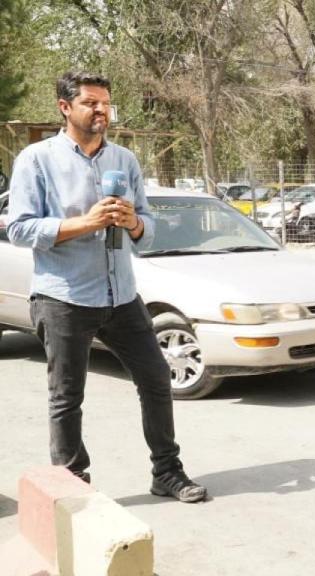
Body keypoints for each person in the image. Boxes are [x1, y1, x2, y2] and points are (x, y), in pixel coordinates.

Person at [6, 71, 207, 503]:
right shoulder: (36, 160)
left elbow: (149, 230)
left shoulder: (125, 161)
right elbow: (19, 228)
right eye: (91, 103)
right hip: (64, 296)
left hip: (121, 295)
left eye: (105, 103)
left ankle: (167, 473)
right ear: (65, 108)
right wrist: (87, 223)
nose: (102, 111)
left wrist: (133, 222)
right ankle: (73, 489)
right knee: (66, 398)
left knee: (156, 378)